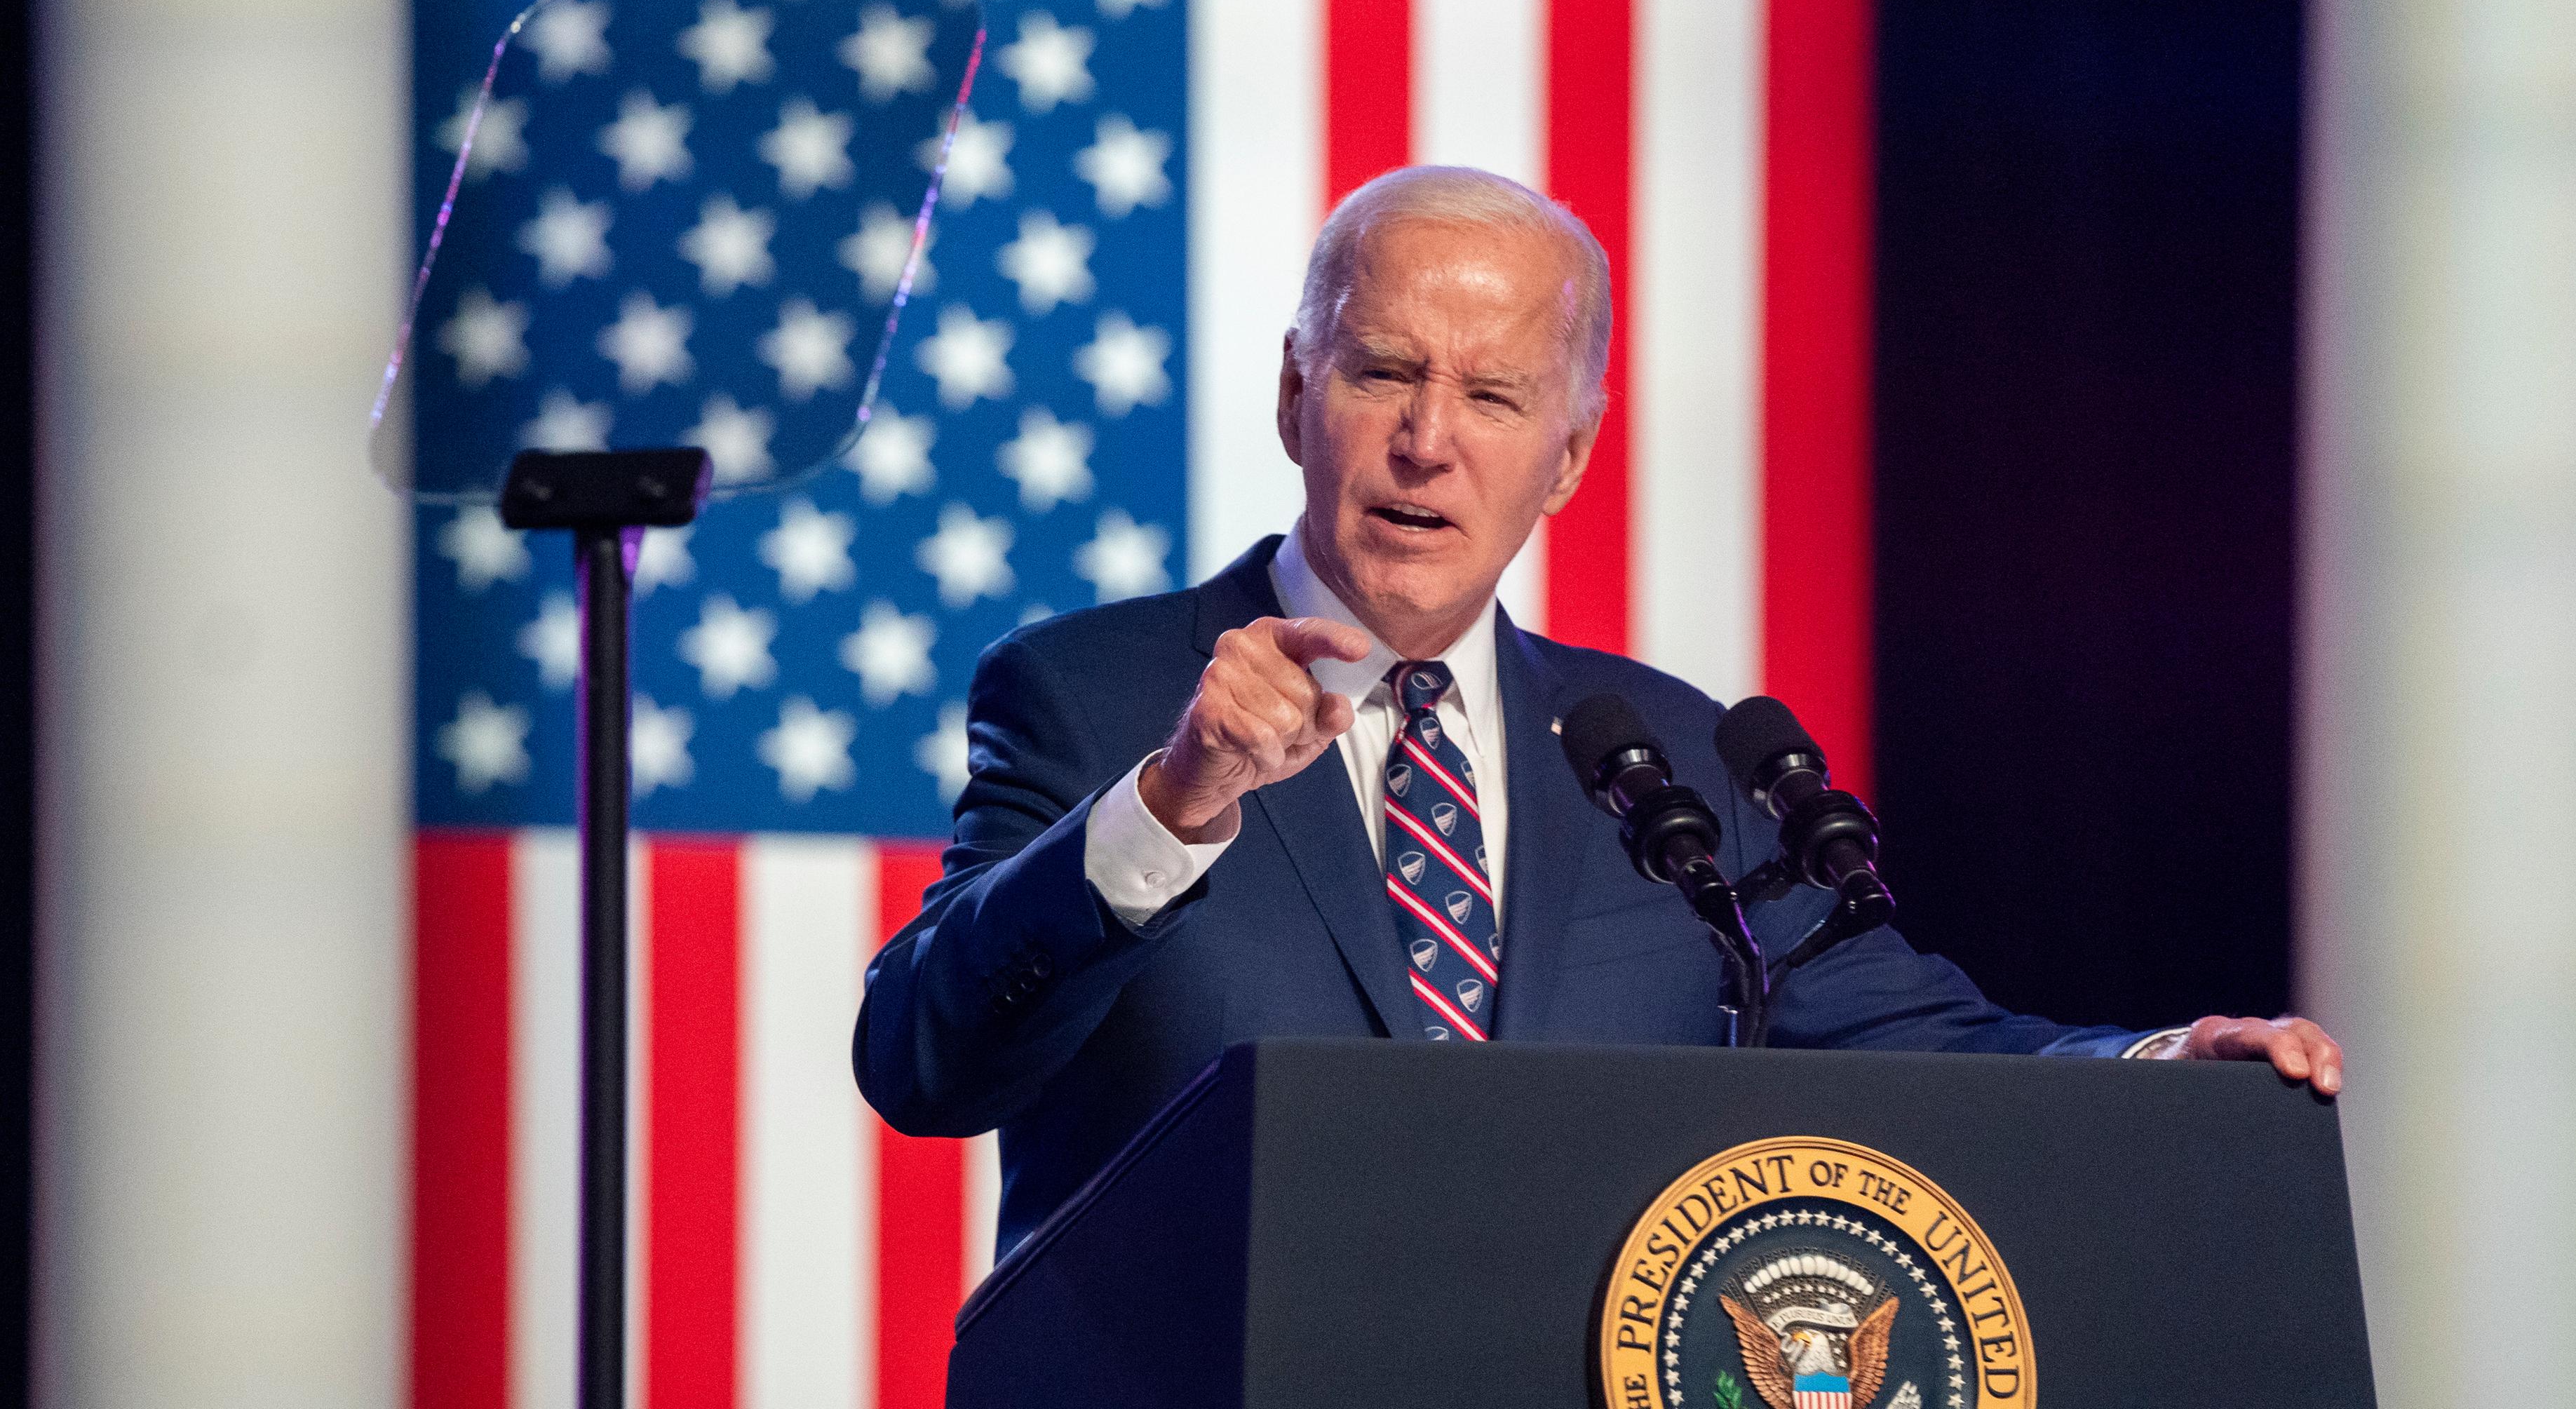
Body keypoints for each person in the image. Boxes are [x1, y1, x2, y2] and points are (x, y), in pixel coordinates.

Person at [852, 165, 2342, 1256]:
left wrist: (2158, 1074)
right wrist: (1173, 808)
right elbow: (925, 1062)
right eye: (1383, 374)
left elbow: (1917, 1040)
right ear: (1295, 396)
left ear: (1566, 457)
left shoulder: (1665, 750)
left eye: (1494, 400)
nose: (1430, 442)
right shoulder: (1090, 691)